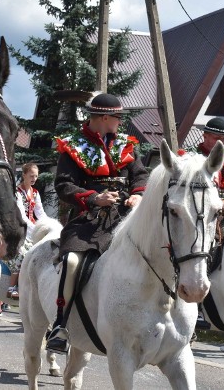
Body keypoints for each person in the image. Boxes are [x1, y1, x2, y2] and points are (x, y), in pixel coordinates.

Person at [46, 93, 149, 354]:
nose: (119, 122)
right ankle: (61, 323)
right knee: (72, 261)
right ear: (104, 117)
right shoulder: (72, 146)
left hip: (125, 216)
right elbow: (64, 185)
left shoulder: (126, 145)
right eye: (117, 117)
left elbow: (140, 176)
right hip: (88, 219)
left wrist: (138, 195)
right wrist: (94, 198)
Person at [185, 117, 224, 360]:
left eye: (223, 138)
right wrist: (219, 204)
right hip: (201, 219)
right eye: (216, 137)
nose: (221, 142)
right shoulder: (190, 158)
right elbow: (190, 195)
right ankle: (197, 307)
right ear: (205, 136)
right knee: (203, 255)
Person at [4, 163, 47, 301]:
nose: (34, 178)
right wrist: (37, 229)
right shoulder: (17, 192)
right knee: (23, 253)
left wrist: (48, 226)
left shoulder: (35, 192)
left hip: (31, 227)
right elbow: (22, 216)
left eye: (36, 176)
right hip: (18, 227)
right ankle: (12, 288)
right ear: (24, 175)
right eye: (31, 176)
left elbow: (40, 213)